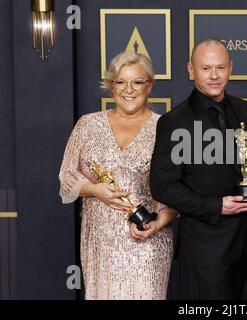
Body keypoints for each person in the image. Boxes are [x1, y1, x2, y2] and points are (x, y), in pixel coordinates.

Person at [150, 38, 247, 299]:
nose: (214, 75)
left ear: (230, 67)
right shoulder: (174, 122)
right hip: (207, 245)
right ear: (190, 70)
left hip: (245, 240)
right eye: (206, 68)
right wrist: (215, 206)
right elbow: (162, 185)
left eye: (220, 67)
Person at [59, 52, 177, 299]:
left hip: (147, 243)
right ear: (111, 85)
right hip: (100, 242)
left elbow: (179, 191)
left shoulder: (166, 128)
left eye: (137, 82)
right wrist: (93, 190)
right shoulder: (87, 125)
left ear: (150, 85)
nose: (128, 90)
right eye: (120, 82)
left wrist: (157, 224)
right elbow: (66, 177)